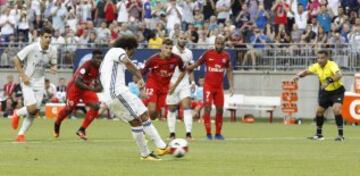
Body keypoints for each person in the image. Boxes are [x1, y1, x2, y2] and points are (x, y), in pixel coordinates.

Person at [99, 35, 171, 160]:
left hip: (121, 92)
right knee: (136, 121)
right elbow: (127, 62)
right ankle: (145, 154)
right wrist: (139, 76)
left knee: (144, 115)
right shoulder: (117, 51)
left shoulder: (107, 61)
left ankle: (162, 147)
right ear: (127, 48)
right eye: (133, 51)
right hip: (117, 93)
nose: (133, 55)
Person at [11, 26, 57, 142]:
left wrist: (54, 68)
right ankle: (17, 113)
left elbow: (53, 63)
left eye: (50, 37)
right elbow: (16, 59)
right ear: (40, 37)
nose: (48, 39)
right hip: (28, 80)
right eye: (46, 37)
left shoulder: (53, 50)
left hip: (40, 81)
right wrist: (23, 76)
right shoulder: (31, 48)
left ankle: (21, 135)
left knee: (35, 110)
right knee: (31, 108)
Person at [188, 35, 234, 140]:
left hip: (219, 87)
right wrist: (188, 68)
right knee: (207, 108)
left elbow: (230, 70)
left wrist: (231, 86)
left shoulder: (226, 56)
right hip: (208, 86)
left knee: (220, 110)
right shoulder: (208, 54)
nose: (220, 45)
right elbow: (197, 64)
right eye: (218, 43)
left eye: (222, 43)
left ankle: (218, 134)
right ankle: (208, 134)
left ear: (224, 44)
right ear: (215, 43)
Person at [292, 50, 345, 141]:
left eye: (322, 58)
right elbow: (306, 71)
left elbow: (339, 74)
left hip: (337, 91)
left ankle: (340, 136)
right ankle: (319, 135)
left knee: (336, 109)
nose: (320, 60)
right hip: (326, 92)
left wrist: (328, 81)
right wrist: (298, 76)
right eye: (318, 58)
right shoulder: (316, 66)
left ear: (327, 58)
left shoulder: (332, 65)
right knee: (319, 111)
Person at [54, 49, 103, 140]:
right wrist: (92, 88)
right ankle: (57, 122)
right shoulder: (86, 65)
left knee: (96, 106)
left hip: (85, 89)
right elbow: (77, 82)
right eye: (97, 58)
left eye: (101, 59)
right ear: (92, 58)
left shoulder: (99, 68)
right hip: (74, 88)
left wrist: (100, 87)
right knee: (69, 109)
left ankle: (82, 129)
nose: (99, 61)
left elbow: (98, 82)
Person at [142, 38, 186, 120]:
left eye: (170, 48)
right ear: (161, 48)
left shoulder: (176, 59)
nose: (168, 50)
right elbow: (141, 72)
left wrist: (174, 86)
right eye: (166, 48)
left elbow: (183, 70)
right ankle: (142, 120)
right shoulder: (153, 59)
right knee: (152, 110)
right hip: (153, 84)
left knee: (154, 116)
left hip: (164, 88)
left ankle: (144, 117)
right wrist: (141, 86)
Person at [166, 32, 195, 140]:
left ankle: (188, 134)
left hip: (184, 82)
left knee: (187, 106)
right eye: (181, 38)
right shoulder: (171, 50)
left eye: (184, 38)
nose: (182, 40)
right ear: (177, 39)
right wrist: (167, 81)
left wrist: (192, 82)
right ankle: (172, 133)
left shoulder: (189, 53)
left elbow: (190, 68)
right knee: (172, 109)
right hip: (172, 82)